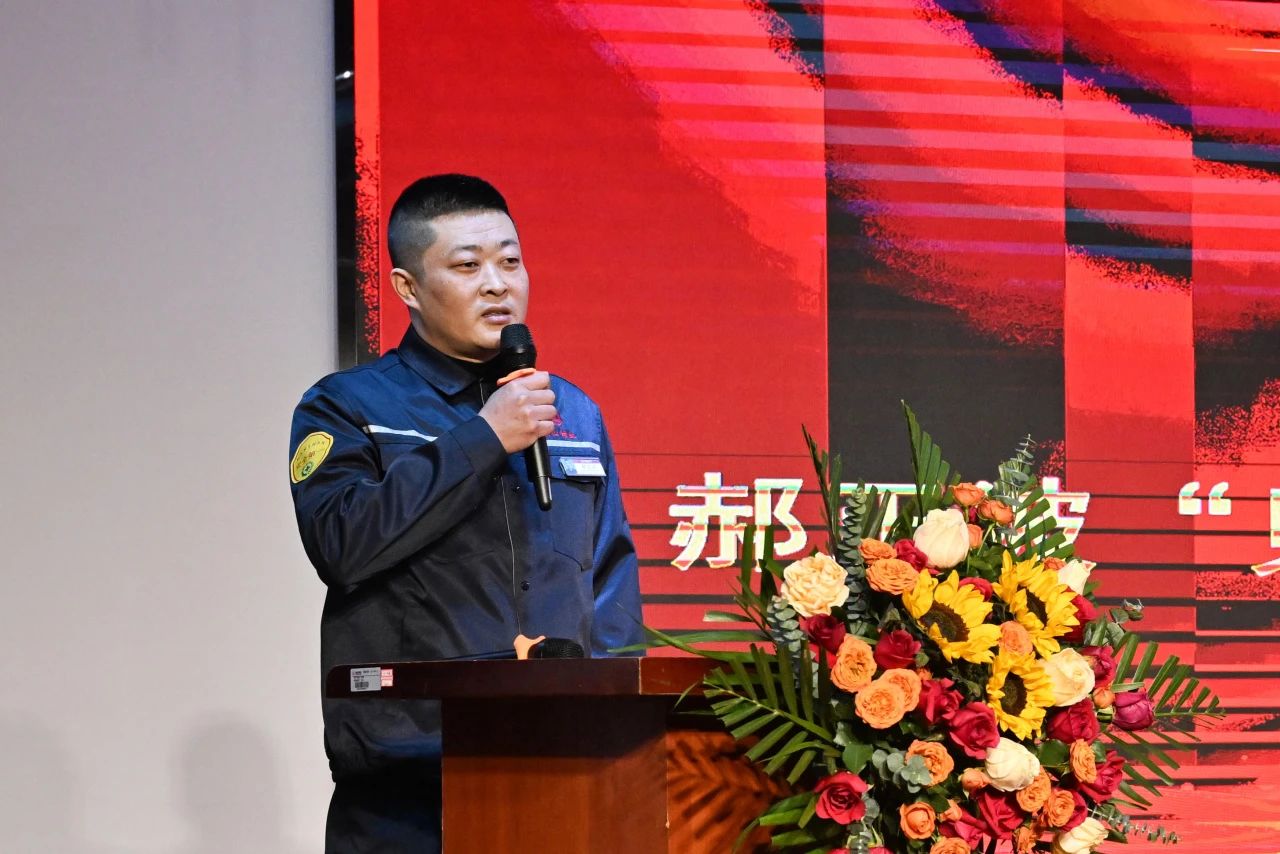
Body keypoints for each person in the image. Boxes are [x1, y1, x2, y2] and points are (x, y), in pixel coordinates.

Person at [288, 174, 644, 853]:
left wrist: (623, 730)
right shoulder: (347, 407)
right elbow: (342, 542)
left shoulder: (571, 412)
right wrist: (484, 438)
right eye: (467, 265)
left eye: (510, 261)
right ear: (407, 287)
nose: (497, 284)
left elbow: (609, 585)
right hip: (408, 787)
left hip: (560, 773)